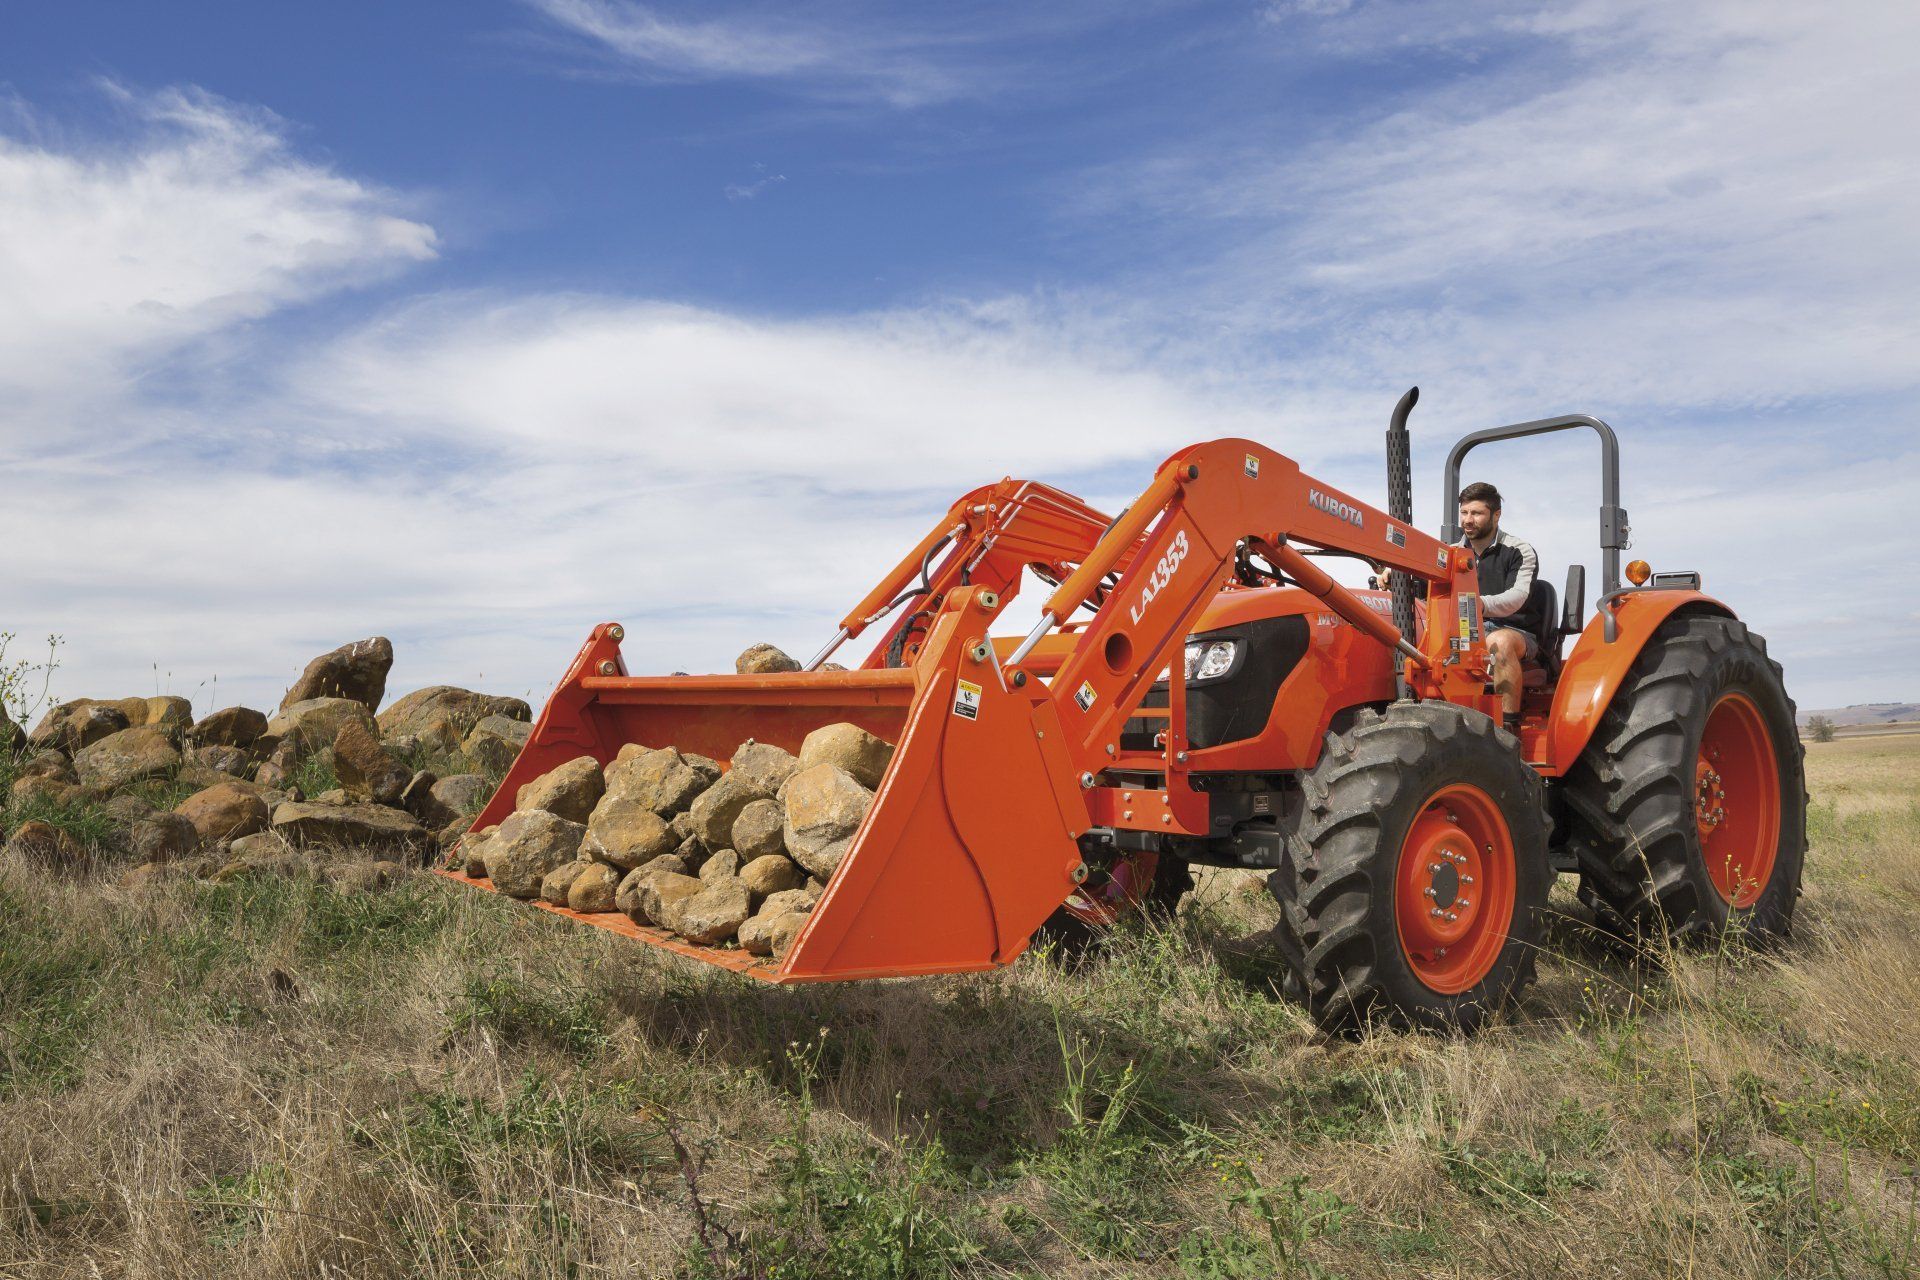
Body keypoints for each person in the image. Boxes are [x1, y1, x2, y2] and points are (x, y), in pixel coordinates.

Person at [1385, 481, 1540, 734]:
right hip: (1466, 633)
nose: (1468, 520)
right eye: (1465, 513)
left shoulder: (1518, 551)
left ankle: (1508, 730)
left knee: (1498, 642)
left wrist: (1479, 605)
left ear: (1496, 515)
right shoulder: (1449, 554)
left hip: (1513, 629)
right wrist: (1395, 576)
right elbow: (1423, 583)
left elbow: (1518, 596)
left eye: (1476, 513)